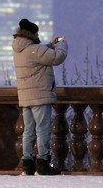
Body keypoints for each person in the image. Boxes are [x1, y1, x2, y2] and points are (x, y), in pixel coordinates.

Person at [11, 18, 68, 175]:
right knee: (42, 129)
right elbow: (57, 57)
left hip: (25, 97)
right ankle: (42, 162)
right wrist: (62, 44)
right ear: (32, 34)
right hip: (40, 96)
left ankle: (27, 163)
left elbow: (38, 52)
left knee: (28, 130)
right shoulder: (34, 50)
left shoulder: (19, 49)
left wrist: (50, 45)